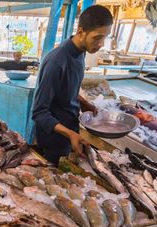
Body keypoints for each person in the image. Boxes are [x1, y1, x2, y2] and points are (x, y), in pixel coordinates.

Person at [32, 5, 113, 165]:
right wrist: (70, 134)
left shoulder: (81, 52)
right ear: (81, 32)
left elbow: (66, 89)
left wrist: (84, 103)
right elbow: (39, 112)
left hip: (69, 131)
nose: (101, 44)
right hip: (53, 139)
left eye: (105, 37)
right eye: (97, 37)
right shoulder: (57, 61)